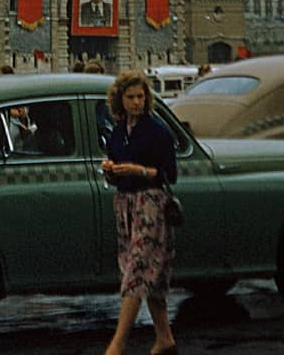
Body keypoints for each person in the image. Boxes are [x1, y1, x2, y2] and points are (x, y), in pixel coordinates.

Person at [100, 70, 178, 355]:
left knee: (136, 272)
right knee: (148, 275)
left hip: (151, 204)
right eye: (131, 97)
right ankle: (164, 338)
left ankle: (116, 347)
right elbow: (116, 174)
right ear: (120, 100)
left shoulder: (157, 131)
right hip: (125, 204)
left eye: (141, 97)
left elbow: (170, 173)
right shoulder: (117, 132)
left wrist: (139, 170)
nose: (136, 102)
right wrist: (111, 170)